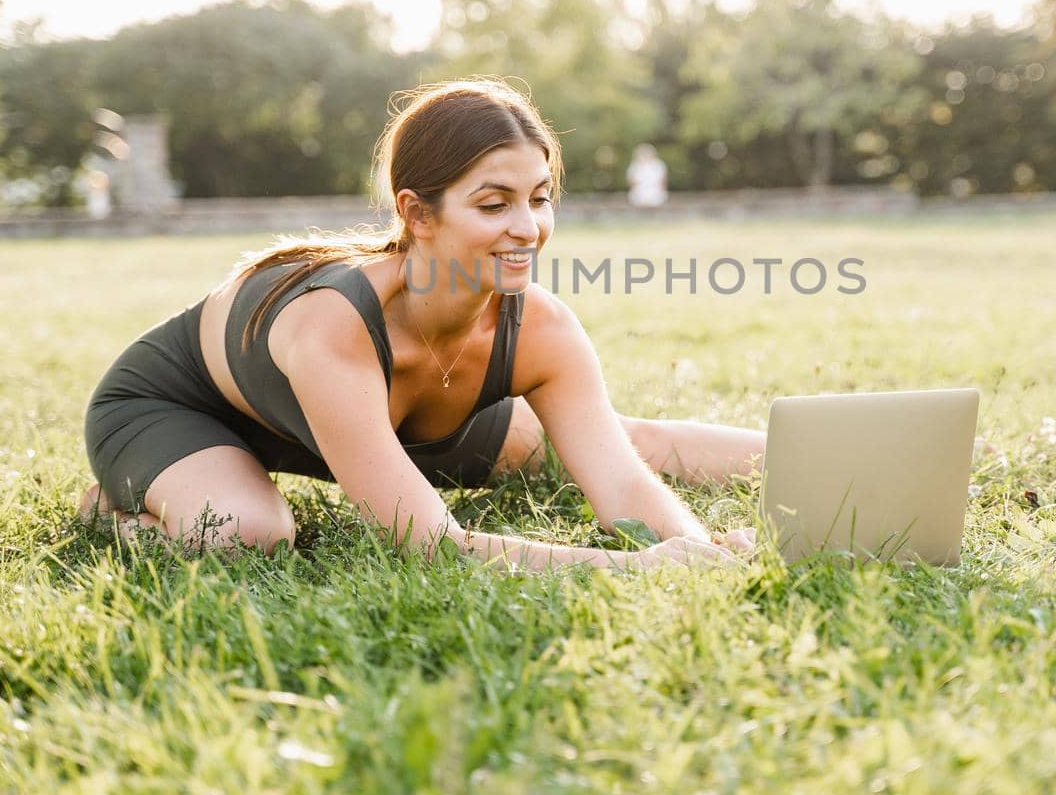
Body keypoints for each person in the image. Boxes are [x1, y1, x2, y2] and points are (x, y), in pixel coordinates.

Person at [80, 79, 764, 570]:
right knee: (245, 532)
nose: (527, 228)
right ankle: (125, 508)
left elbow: (621, 481)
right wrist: (633, 570)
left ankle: (836, 442)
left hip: (385, 415)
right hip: (181, 408)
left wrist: (691, 547)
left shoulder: (543, 329)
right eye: (494, 204)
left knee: (612, 439)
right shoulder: (333, 324)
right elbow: (429, 543)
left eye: (539, 198)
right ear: (418, 212)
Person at [626, 143, 668, 208]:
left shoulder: (659, 165)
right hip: (639, 194)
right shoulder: (635, 166)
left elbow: (662, 182)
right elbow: (632, 182)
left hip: (655, 193)